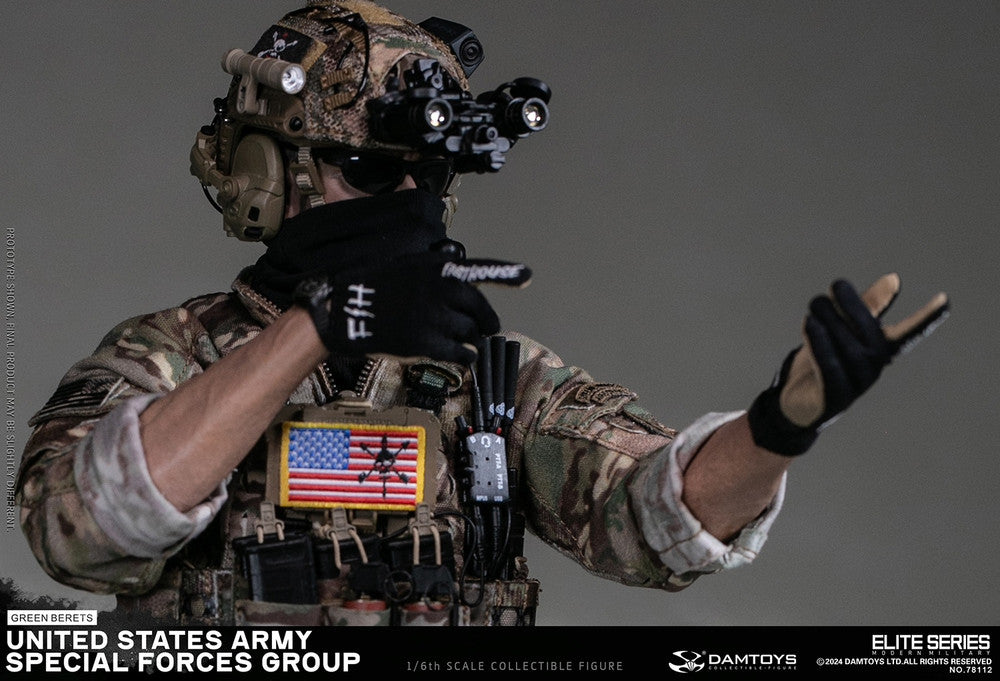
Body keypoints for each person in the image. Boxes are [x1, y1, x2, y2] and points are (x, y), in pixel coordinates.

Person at [15, 0, 949, 627]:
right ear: (269, 173)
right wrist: (317, 326)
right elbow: (81, 532)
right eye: (370, 172)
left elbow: (651, 515)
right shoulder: (169, 354)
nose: (407, 204)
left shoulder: (488, 373)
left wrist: (779, 427)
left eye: (429, 179)